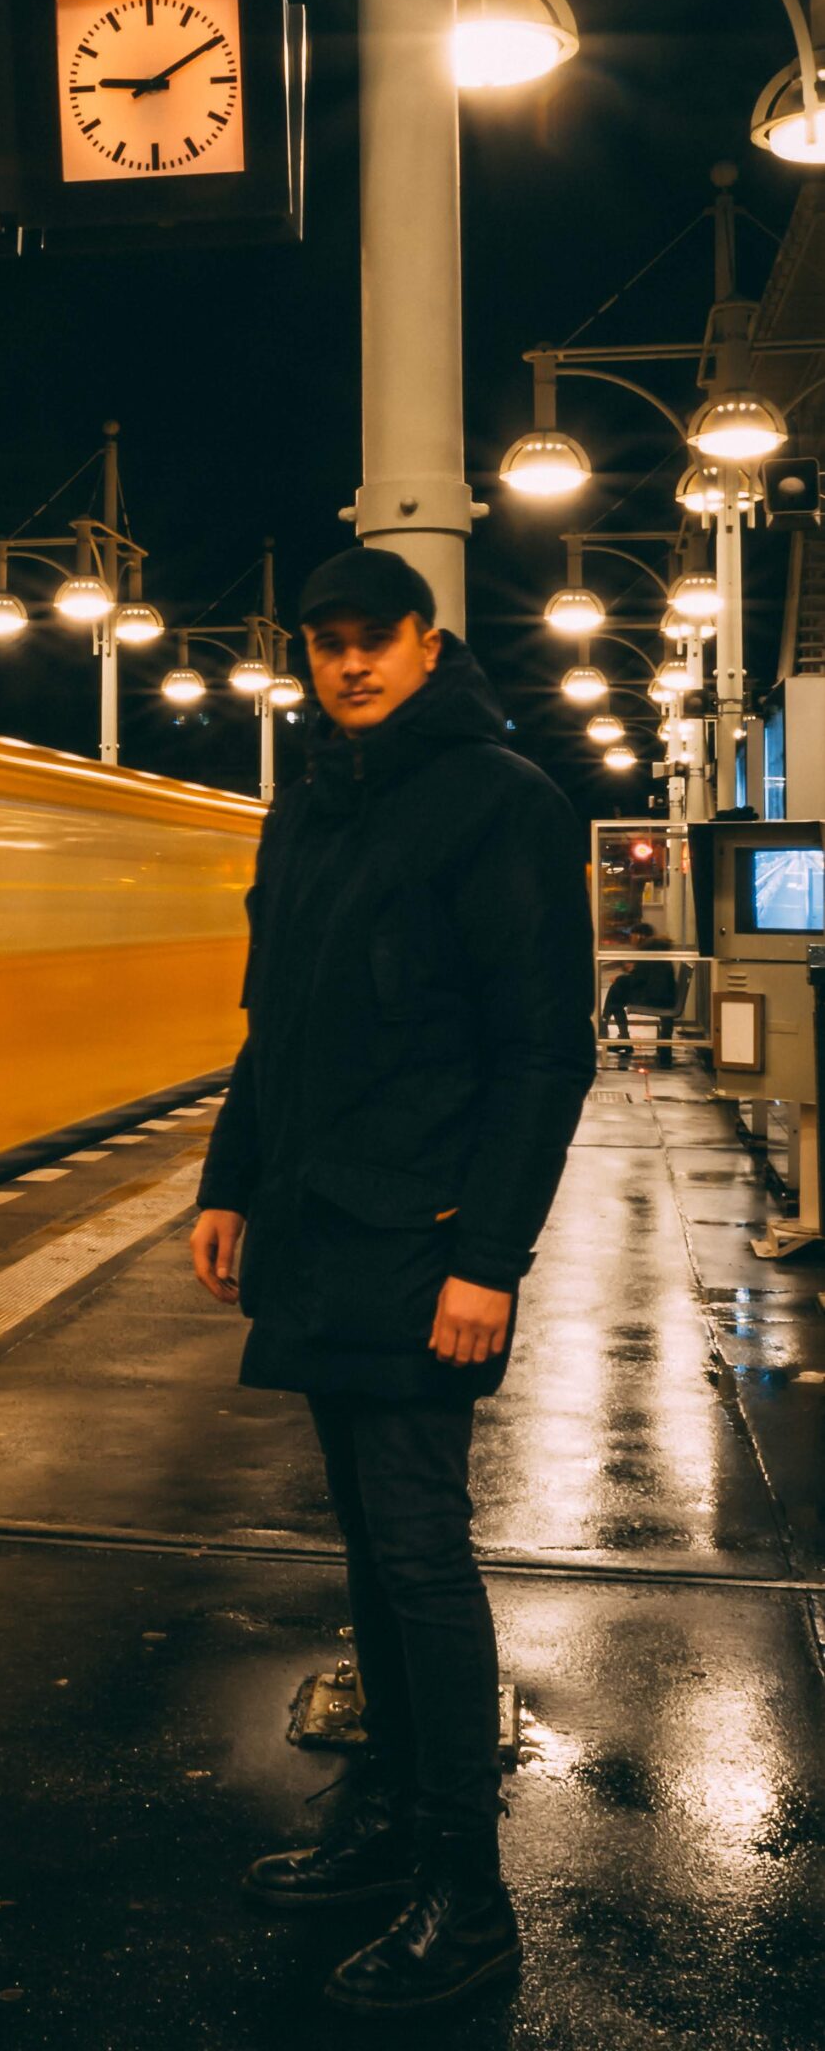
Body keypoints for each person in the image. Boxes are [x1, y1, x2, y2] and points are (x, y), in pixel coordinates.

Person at [190, 546, 594, 2017]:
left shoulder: (500, 804)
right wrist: (226, 1176)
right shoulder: (307, 810)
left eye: (373, 639)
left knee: (419, 1555)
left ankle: (463, 1897)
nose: (346, 663)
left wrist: (485, 1261)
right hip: (314, 1230)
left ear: (429, 645)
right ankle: (379, 1828)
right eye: (324, 643)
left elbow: (542, 1055)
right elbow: (271, 1019)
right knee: (367, 1544)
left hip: (421, 1247)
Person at [601, 922, 678, 1069]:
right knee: (617, 991)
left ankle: (613, 1031)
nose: (630, 938)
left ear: (639, 936)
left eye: (632, 935)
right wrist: (630, 972)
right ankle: (618, 1035)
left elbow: (639, 979)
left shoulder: (648, 950)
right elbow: (647, 976)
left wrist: (622, 977)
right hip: (664, 996)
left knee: (616, 992)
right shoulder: (655, 948)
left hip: (655, 998)